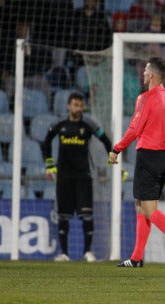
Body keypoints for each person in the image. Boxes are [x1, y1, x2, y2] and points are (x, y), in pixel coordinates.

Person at [109, 56, 165, 269]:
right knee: (141, 206)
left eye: (146, 70)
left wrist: (117, 148)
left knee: (149, 210)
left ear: (153, 75)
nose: (143, 73)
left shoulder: (145, 98)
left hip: (147, 156)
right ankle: (137, 258)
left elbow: (135, 129)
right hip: (164, 159)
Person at [43, 92, 113, 262]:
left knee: (87, 215)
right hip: (64, 177)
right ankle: (65, 253)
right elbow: (46, 142)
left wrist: (112, 157)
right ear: (68, 106)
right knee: (63, 215)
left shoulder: (88, 124)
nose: (78, 108)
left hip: (83, 176)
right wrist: (50, 165)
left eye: (80, 105)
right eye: (75, 105)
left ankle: (88, 252)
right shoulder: (60, 124)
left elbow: (106, 140)